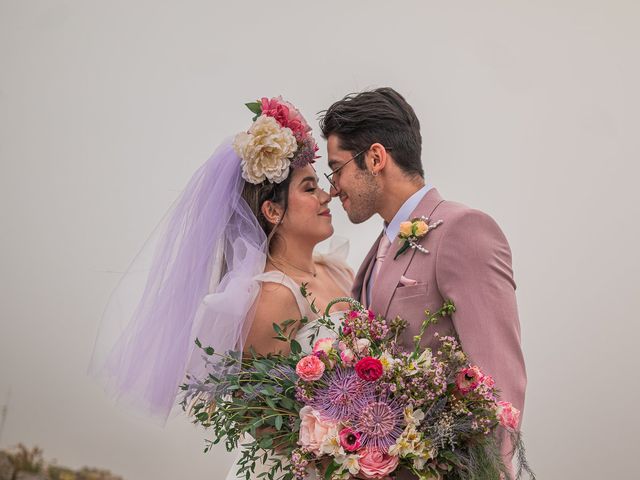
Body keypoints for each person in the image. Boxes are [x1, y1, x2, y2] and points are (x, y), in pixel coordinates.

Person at [88, 96, 353, 480]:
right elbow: (258, 418)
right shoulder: (275, 297)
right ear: (272, 211)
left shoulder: (341, 271)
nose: (326, 196)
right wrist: (345, 450)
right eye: (310, 188)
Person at [320, 87, 527, 479]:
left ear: (376, 158)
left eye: (337, 168)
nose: (333, 188)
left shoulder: (463, 229)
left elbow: (500, 381)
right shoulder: (381, 245)